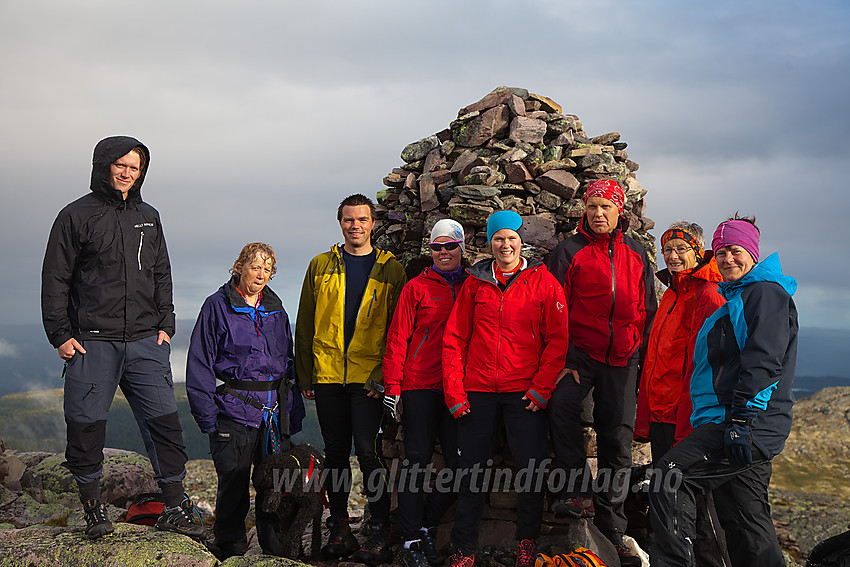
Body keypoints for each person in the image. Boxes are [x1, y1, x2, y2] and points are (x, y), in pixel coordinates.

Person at [40, 136, 204, 540]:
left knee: (165, 423)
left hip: (147, 340)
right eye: (121, 165)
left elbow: (161, 271)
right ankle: (93, 509)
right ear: (103, 165)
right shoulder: (75, 215)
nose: (128, 173)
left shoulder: (149, 215)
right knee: (86, 425)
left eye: (136, 167)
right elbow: (55, 277)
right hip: (92, 340)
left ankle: (174, 504)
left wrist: (166, 324)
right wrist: (60, 334)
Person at [650, 215, 798, 567]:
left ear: (752, 252)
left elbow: (764, 360)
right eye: (720, 253)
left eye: (735, 250)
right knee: (746, 524)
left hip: (744, 423)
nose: (728, 258)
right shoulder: (738, 297)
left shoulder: (763, 293)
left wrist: (741, 422)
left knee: (668, 477)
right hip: (737, 423)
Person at [442, 210, 569, 567]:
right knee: (470, 473)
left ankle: (525, 543)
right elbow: (454, 339)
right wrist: (455, 392)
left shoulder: (543, 282)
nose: (505, 244)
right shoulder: (474, 282)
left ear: (521, 240)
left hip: (524, 393)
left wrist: (542, 388)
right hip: (477, 391)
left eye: (511, 237)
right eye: (498, 238)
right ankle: (464, 548)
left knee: (530, 470)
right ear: (489, 242)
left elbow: (557, 340)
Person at [545, 179, 657, 567]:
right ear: (584, 211)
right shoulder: (568, 251)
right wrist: (562, 360)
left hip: (624, 358)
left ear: (618, 211)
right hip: (580, 356)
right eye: (592, 207)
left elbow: (650, 310)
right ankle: (577, 490)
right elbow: (551, 308)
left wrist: (641, 360)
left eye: (605, 207)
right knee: (559, 407)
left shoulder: (637, 253)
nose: (598, 214)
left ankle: (612, 522)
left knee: (618, 438)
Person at [295, 194, 407, 565]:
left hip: (368, 379)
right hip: (327, 376)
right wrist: (306, 373)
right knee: (337, 452)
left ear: (372, 223)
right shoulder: (320, 265)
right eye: (348, 220)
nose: (355, 226)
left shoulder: (391, 269)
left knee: (367, 450)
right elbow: (306, 323)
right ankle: (340, 528)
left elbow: (397, 328)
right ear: (340, 223)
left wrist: (383, 376)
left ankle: (378, 529)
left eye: (361, 219)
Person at [186, 242, 306, 559]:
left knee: (275, 484)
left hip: (274, 413)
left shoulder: (276, 309)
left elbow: (288, 361)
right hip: (234, 410)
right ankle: (230, 546)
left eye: (267, 269)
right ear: (240, 267)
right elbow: (199, 362)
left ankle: (276, 549)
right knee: (234, 483)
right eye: (255, 267)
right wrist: (207, 417)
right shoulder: (217, 306)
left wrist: (292, 411)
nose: (261, 274)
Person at [634, 222, 730, 566]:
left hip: (686, 417)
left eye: (681, 250)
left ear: (697, 251)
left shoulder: (707, 294)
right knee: (670, 500)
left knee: (697, 504)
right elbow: (656, 360)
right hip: (663, 413)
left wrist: (691, 420)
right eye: (668, 250)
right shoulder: (672, 294)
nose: (673, 256)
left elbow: (704, 365)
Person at [383, 219, 467, 567]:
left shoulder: (475, 285)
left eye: (450, 246)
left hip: (460, 387)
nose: (444, 252)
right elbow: (398, 337)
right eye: (437, 247)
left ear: (462, 248)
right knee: (416, 463)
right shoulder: (416, 288)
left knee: (460, 465)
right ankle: (411, 541)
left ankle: (427, 524)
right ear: (429, 250)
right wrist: (392, 386)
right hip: (419, 385)